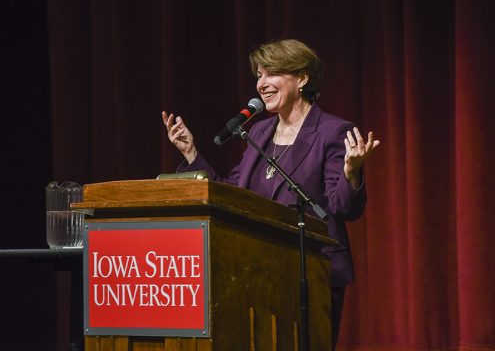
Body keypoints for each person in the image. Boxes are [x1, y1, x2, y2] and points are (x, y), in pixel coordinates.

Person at [162, 38, 380, 348]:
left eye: (271, 73)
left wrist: (351, 172)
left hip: (313, 272)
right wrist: (191, 154)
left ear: (302, 78)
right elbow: (234, 195)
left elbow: (343, 208)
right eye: (259, 75)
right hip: (258, 273)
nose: (262, 84)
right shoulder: (258, 132)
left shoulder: (333, 132)